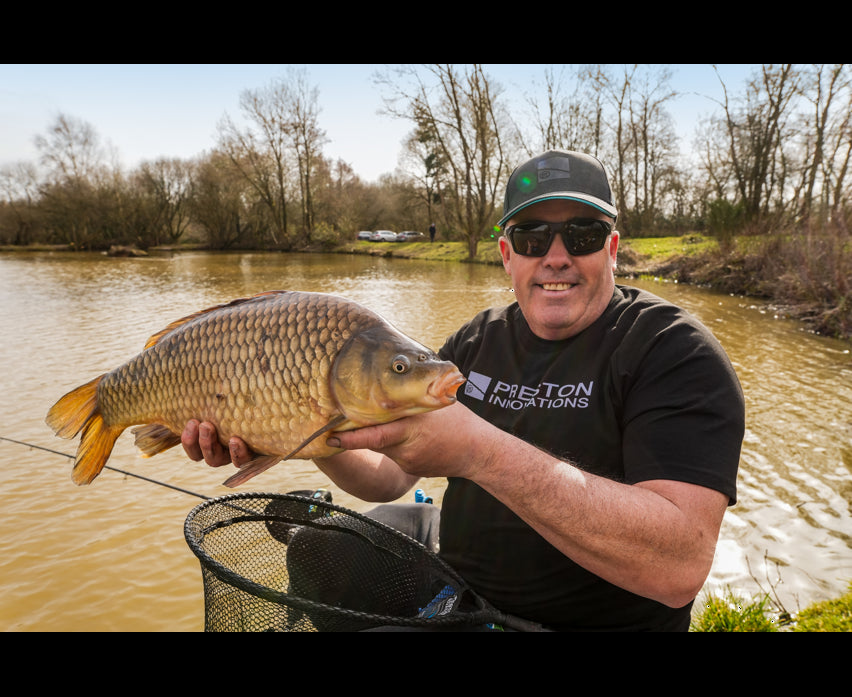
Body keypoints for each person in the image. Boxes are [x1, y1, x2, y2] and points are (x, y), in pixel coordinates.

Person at [181, 149, 745, 631]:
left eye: (582, 234)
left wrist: (480, 451)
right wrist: (310, 437)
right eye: (530, 236)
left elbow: (679, 566)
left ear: (612, 247)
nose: (556, 255)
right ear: (506, 255)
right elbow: (389, 478)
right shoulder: (476, 341)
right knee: (317, 546)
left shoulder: (672, 352)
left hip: (588, 623)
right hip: (461, 596)